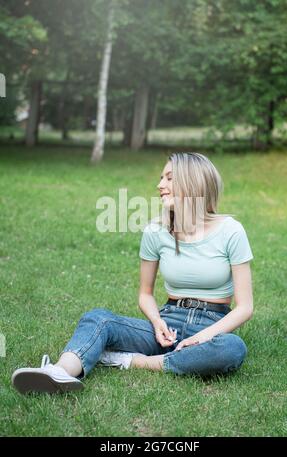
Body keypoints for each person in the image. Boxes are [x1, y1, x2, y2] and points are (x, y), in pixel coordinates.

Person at [12, 152, 254, 394]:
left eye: (169, 178)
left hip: (212, 323)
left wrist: (201, 338)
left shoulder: (230, 231)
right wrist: (158, 323)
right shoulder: (155, 231)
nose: (160, 185)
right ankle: (59, 372)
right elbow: (145, 294)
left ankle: (135, 361)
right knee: (99, 319)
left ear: (194, 181)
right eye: (161, 178)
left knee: (232, 348)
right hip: (168, 324)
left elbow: (245, 307)